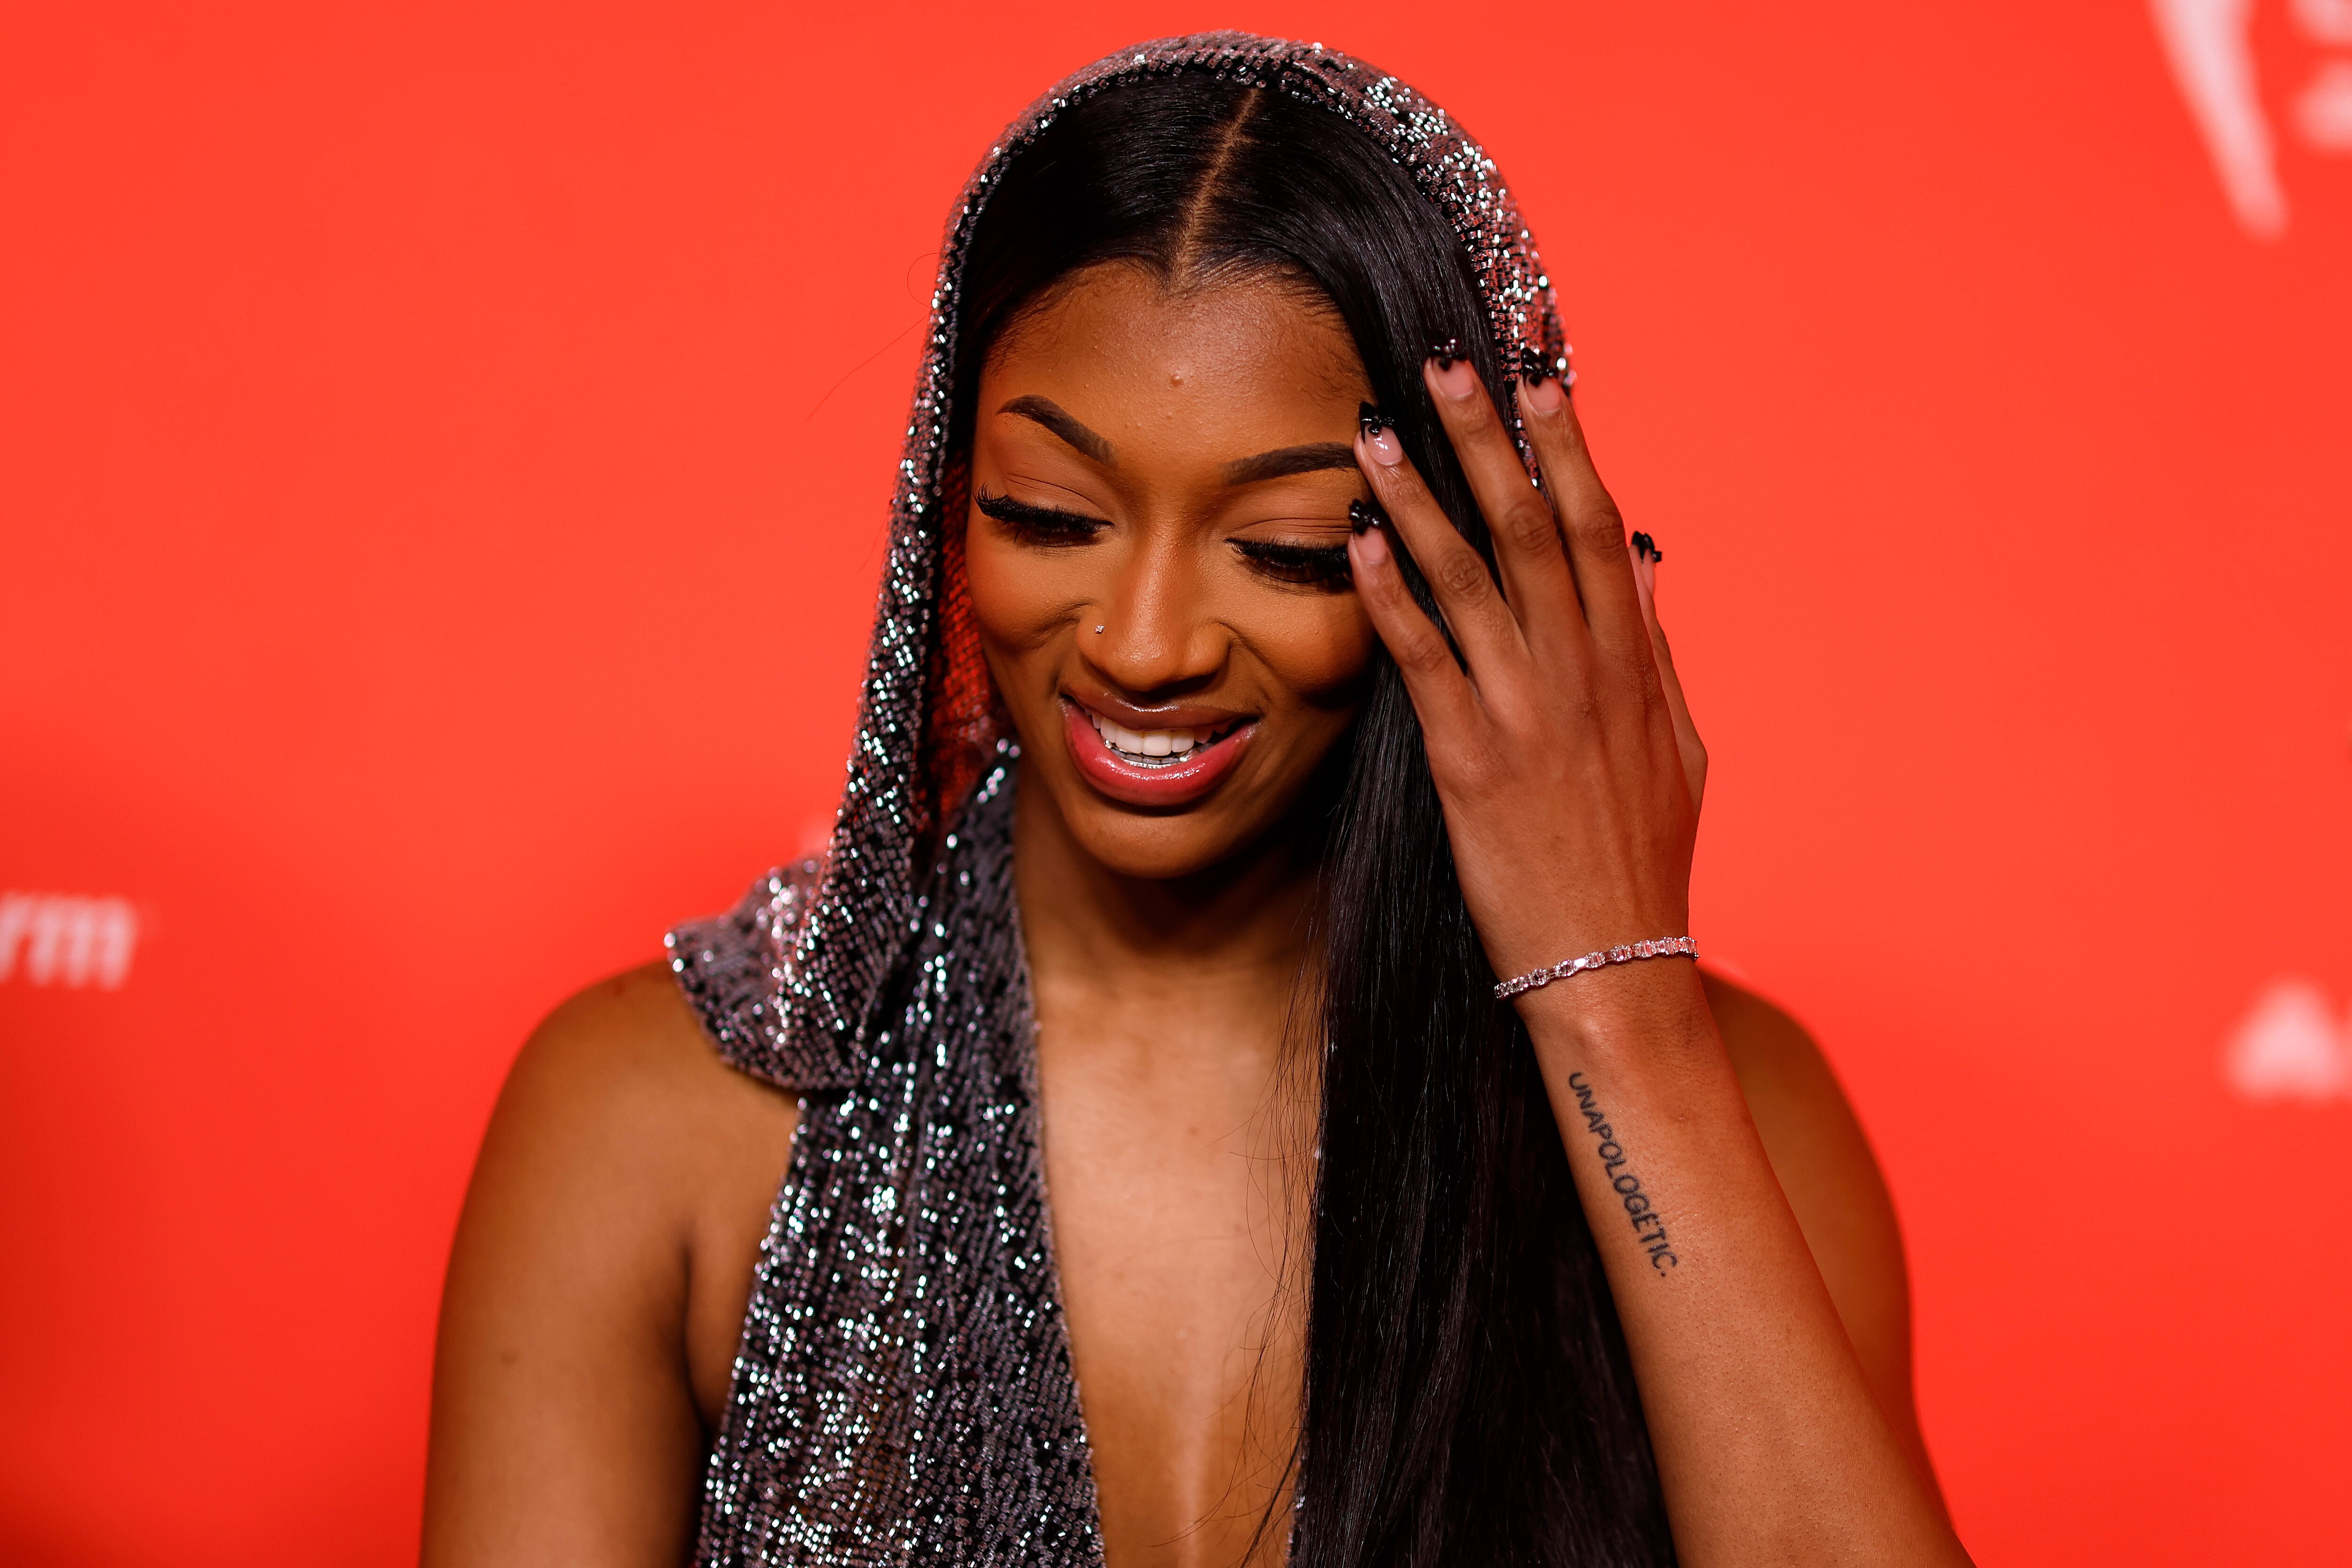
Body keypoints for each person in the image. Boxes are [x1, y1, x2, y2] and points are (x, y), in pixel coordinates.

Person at [422, 34, 1971, 1568]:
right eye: (1049, 516)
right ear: (946, 507)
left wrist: (1615, 1007)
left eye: (1288, 546)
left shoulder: (1731, 1113)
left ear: (1466, 559)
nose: (1144, 646)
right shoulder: (665, 1123)